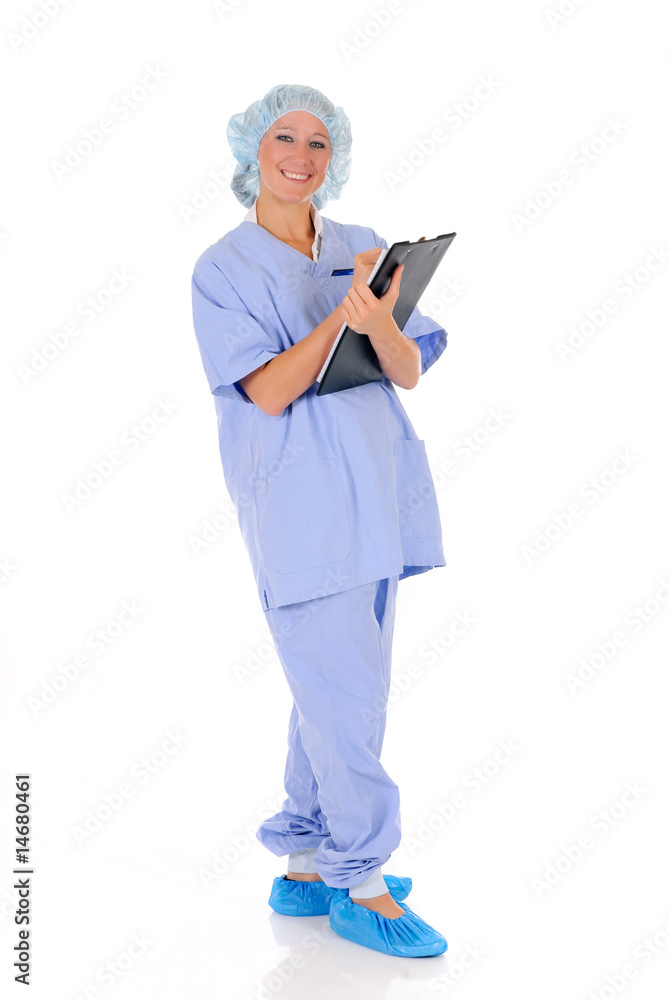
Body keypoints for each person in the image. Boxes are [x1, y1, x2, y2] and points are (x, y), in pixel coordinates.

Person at [191, 83, 449, 959]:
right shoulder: (222, 269)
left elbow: (406, 369)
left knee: (338, 689)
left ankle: (306, 862)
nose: (300, 155)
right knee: (344, 697)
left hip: (375, 489)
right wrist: (346, 316)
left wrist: (379, 318)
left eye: (317, 142)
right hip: (300, 505)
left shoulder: (360, 246)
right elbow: (265, 390)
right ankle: (362, 879)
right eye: (283, 138)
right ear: (251, 151)